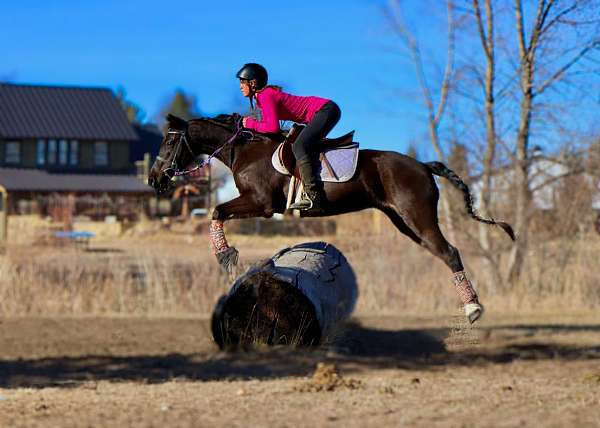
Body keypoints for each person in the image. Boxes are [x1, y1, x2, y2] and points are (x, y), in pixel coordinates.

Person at [236, 63, 341, 213]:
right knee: (300, 144)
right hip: (324, 111)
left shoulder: (265, 95)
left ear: (253, 83)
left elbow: (272, 127)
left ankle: (314, 196)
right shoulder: (263, 97)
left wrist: (249, 123)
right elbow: (271, 127)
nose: (240, 86)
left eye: (242, 82)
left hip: (325, 110)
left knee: (299, 146)